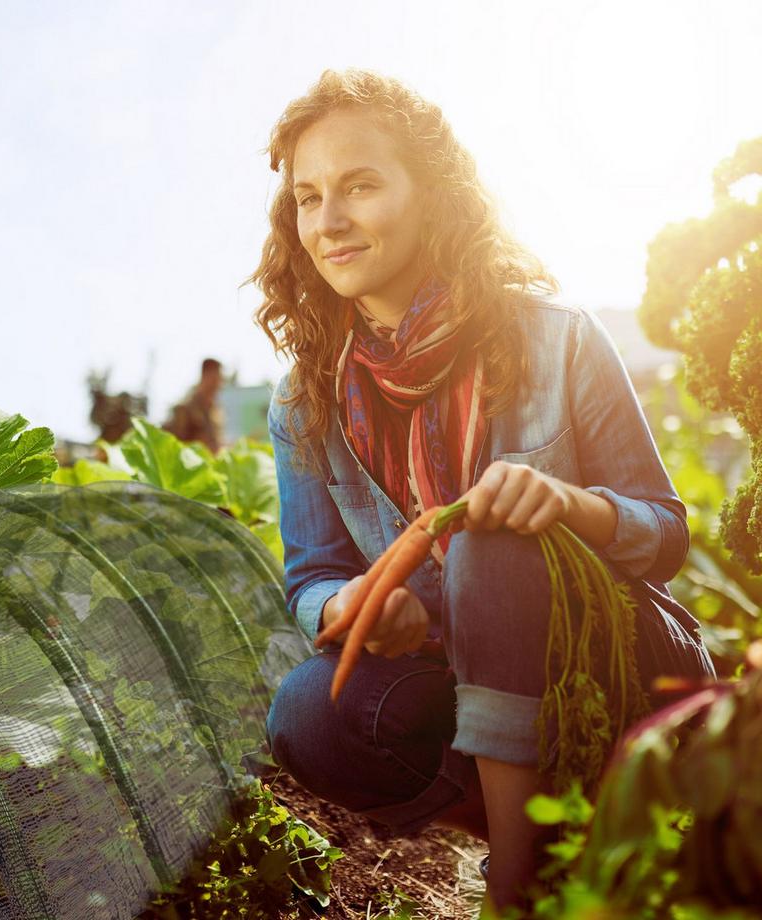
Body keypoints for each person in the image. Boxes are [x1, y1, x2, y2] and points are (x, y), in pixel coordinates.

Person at [251, 69, 716, 915]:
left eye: (360, 186)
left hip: (614, 671)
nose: (331, 221)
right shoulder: (303, 401)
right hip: (462, 685)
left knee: (494, 539)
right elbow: (309, 573)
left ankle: (518, 882)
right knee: (309, 712)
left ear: (431, 193)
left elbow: (668, 535)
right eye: (308, 197)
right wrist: (350, 604)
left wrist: (571, 507)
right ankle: (541, 830)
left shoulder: (560, 338)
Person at [162, 358, 225, 453]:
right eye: (215, 379)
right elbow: (174, 444)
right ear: (205, 376)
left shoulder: (215, 411)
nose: (219, 384)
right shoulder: (185, 408)